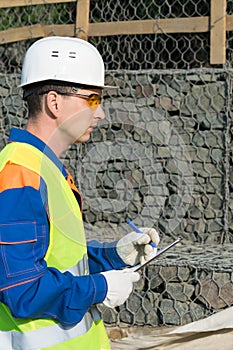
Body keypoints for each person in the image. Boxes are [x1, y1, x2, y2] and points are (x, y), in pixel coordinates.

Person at [0, 36, 160, 350]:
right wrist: (100, 287)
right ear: (54, 102)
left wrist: (114, 256)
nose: (99, 114)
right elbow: (21, 288)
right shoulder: (19, 174)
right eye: (91, 99)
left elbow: (53, 261)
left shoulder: (45, 169)